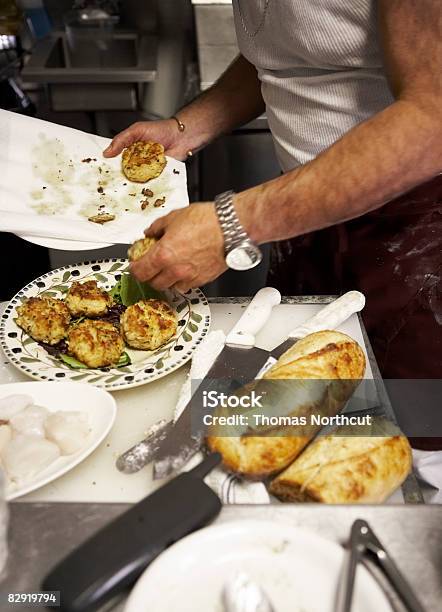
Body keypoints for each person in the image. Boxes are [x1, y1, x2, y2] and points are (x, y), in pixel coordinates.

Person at [104, 1, 441, 407]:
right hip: (307, 212)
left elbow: (432, 118)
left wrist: (234, 223)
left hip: (416, 231)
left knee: (414, 421)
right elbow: (283, 53)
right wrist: (186, 129)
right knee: (298, 404)